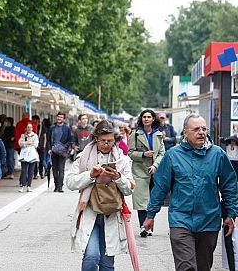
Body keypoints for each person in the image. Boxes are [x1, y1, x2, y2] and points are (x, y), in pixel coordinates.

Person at [144, 114, 238, 271]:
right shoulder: (173, 155)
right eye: (196, 129)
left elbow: (229, 185)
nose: (201, 132)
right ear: (185, 132)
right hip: (181, 220)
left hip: (209, 220)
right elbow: (161, 186)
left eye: (203, 129)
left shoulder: (218, 154)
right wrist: (150, 214)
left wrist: (231, 213)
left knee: (203, 267)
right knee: (186, 267)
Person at [65, 121, 134, 271]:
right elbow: (69, 182)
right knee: (91, 257)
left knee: (107, 264)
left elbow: (130, 188)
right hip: (90, 211)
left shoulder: (122, 160)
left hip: (112, 214)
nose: (106, 144)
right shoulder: (83, 157)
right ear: (96, 138)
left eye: (110, 141)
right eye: (103, 140)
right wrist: (90, 175)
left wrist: (117, 177)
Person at [128, 109, 165, 237]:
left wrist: (155, 165)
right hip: (139, 171)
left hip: (155, 171)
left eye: (149, 117)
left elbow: (161, 153)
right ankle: (143, 227)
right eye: (144, 117)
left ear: (153, 119)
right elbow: (130, 153)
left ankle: (149, 225)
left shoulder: (158, 134)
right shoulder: (135, 134)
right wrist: (143, 154)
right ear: (141, 119)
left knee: (152, 201)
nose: (146, 119)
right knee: (141, 201)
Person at [48, 112, 73, 192]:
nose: (59, 118)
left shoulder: (67, 128)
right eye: (58, 117)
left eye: (61, 117)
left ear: (64, 119)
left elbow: (70, 140)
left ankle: (60, 186)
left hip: (62, 151)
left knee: (61, 169)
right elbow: (49, 139)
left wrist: (65, 147)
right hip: (54, 151)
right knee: (55, 170)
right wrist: (49, 148)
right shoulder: (52, 128)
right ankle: (56, 186)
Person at [18, 123, 39, 192]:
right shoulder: (23, 135)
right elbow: (20, 143)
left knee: (31, 171)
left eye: (30, 127)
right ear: (26, 128)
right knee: (24, 171)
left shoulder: (35, 135)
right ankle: (23, 185)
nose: (29, 128)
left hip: (32, 155)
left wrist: (28, 143)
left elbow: (36, 144)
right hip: (24, 155)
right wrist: (27, 143)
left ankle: (29, 186)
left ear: (32, 128)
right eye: (28, 127)